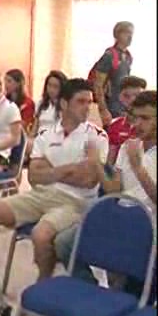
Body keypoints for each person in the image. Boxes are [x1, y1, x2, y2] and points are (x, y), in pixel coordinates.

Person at [0, 78, 108, 301]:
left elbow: (89, 179)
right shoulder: (45, 135)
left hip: (76, 202)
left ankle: (43, 286)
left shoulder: (96, 136)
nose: (87, 107)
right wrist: (70, 169)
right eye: (81, 101)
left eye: (89, 102)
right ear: (64, 104)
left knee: (40, 235)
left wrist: (52, 171)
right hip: (42, 195)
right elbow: (33, 176)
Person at [55, 91, 156, 300]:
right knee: (64, 242)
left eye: (145, 118)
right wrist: (97, 165)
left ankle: (120, 296)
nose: (137, 124)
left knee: (129, 288)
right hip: (119, 216)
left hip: (149, 226)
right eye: (135, 117)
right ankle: (94, 294)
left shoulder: (135, 154)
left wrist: (138, 167)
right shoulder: (130, 146)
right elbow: (114, 191)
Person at [94, 21, 134, 127]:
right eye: (126, 33)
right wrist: (103, 110)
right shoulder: (109, 56)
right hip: (111, 108)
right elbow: (98, 85)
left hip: (124, 108)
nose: (130, 36)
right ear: (117, 35)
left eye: (131, 33)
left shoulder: (129, 57)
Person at [106, 76, 147, 164]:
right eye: (127, 96)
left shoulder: (153, 126)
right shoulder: (114, 125)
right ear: (120, 97)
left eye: (137, 96)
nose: (132, 100)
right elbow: (110, 162)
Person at [30, 70, 68, 137]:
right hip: (40, 138)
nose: (51, 89)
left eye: (55, 86)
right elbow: (35, 127)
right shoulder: (40, 103)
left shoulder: (66, 106)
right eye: (49, 85)